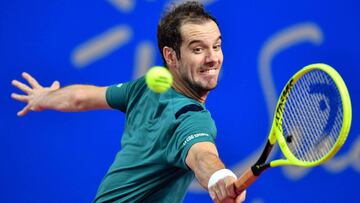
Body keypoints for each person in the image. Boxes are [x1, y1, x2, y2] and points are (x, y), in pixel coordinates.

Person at [11, 1, 246, 203]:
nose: (213, 58)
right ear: (171, 56)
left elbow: (81, 98)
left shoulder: (145, 87)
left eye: (216, 46)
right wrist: (218, 177)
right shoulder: (191, 117)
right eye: (198, 49)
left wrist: (45, 97)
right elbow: (201, 154)